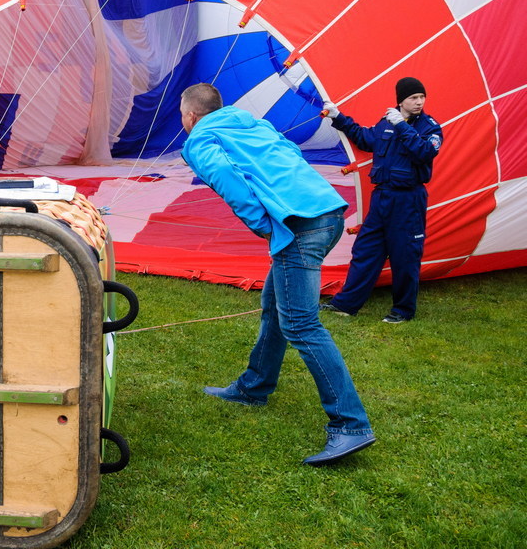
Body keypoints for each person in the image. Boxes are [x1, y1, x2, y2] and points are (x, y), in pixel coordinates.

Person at [179, 83, 375, 466]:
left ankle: (350, 424)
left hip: (299, 226)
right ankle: (254, 387)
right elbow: (289, 152)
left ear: (190, 115)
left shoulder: (200, 137)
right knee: (274, 306)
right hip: (328, 212)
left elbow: (225, 178)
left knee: (302, 325)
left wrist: (262, 224)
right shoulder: (250, 121)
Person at [320, 77, 443, 323]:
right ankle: (346, 304)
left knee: (405, 255)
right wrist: (338, 117)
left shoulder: (429, 127)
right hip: (382, 198)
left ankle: (403, 311)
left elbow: (425, 152)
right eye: (413, 98)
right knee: (366, 250)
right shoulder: (386, 122)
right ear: (401, 100)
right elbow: (365, 139)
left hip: (408, 199)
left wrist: (403, 126)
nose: (419, 102)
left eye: (421, 97)